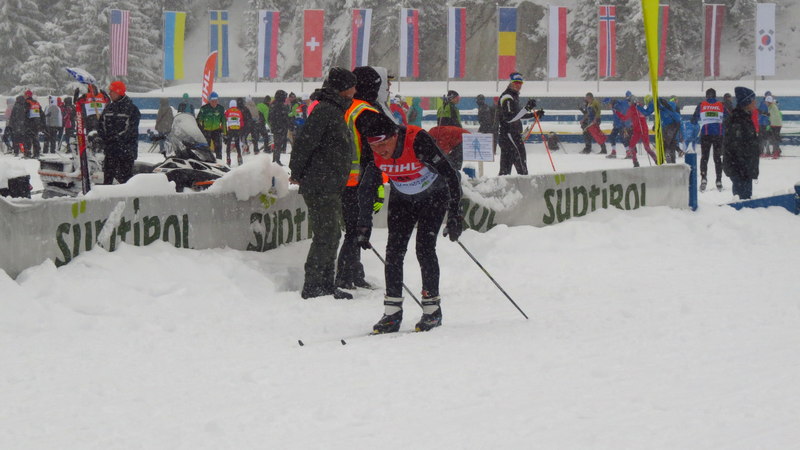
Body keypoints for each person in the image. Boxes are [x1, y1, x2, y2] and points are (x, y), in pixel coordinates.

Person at [356, 112, 463, 334]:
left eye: (383, 144)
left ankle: (432, 310)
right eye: (374, 146)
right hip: (402, 198)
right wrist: (364, 224)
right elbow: (367, 186)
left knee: (424, 248)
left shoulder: (417, 140)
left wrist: (455, 214)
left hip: (433, 196)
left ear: (394, 135)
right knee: (393, 251)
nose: (380, 151)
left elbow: (451, 176)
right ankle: (392, 313)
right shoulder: (371, 148)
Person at [289, 67, 358, 300]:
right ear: (342, 88)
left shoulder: (334, 109)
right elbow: (305, 143)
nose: (355, 91)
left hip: (329, 183)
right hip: (321, 183)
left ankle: (326, 284)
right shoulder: (326, 110)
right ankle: (314, 285)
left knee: (332, 234)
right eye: (352, 86)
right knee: (326, 234)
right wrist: (296, 171)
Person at [496, 72, 542, 175]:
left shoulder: (514, 96)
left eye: (520, 83)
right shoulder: (507, 97)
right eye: (516, 82)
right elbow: (510, 118)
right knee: (521, 163)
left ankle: (504, 183)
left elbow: (518, 115)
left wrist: (534, 115)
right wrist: (527, 108)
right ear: (511, 83)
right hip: (509, 135)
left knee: (505, 169)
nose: (518, 85)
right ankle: (524, 182)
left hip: (510, 135)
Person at [99, 81, 141, 185]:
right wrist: (101, 137)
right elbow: (101, 124)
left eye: (112, 91)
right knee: (108, 180)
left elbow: (131, 130)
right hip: (110, 151)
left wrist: (116, 138)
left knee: (125, 181)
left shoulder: (132, 109)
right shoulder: (108, 108)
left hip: (126, 152)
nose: (109, 93)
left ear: (119, 92)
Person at [723, 87, 759, 200]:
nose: (755, 102)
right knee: (742, 201)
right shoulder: (738, 120)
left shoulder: (744, 117)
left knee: (744, 199)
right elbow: (736, 146)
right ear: (747, 102)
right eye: (753, 100)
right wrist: (744, 168)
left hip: (744, 168)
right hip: (740, 169)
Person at [691, 88, 725, 191]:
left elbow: (693, 120)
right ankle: (718, 180)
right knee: (717, 158)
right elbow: (729, 117)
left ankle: (703, 178)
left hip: (706, 133)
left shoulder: (702, 105)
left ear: (706, 96)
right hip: (718, 134)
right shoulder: (721, 105)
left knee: (704, 157)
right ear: (715, 96)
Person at [615, 95, 657, 168]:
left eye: (629, 101)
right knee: (631, 146)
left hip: (643, 130)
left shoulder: (638, 107)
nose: (628, 103)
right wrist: (617, 113)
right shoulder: (632, 109)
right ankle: (635, 162)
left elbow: (642, 115)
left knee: (647, 148)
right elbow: (625, 118)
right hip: (637, 131)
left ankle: (656, 159)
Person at [640, 95, 682, 163]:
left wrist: (637, 106)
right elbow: (660, 115)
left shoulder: (653, 102)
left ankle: (664, 158)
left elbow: (646, 112)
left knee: (665, 141)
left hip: (669, 124)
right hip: (676, 123)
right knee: (671, 142)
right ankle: (672, 161)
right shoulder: (662, 102)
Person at [196, 91, 226, 159]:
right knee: (206, 148)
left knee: (218, 147)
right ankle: (206, 160)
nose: (214, 103)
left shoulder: (220, 108)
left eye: (216, 101)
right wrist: (200, 130)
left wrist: (225, 133)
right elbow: (198, 120)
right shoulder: (204, 108)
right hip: (206, 131)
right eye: (213, 101)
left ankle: (219, 161)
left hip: (216, 130)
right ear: (209, 101)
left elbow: (223, 121)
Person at [269, 90, 289, 165]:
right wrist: (284, 125)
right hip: (280, 128)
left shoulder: (273, 104)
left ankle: (276, 160)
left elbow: (270, 117)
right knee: (278, 145)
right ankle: (276, 161)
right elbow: (284, 117)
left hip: (276, 128)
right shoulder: (280, 105)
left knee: (277, 145)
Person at [23, 90, 44, 158]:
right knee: (35, 138)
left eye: (25, 95)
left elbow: (25, 113)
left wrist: (24, 122)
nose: (24, 96)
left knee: (28, 139)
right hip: (36, 123)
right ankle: (37, 153)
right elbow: (41, 113)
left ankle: (28, 153)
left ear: (27, 95)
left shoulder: (26, 102)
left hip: (29, 123)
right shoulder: (36, 103)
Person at [223, 99, 244, 166]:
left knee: (228, 145)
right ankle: (239, 157)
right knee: (237, 144)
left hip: (230, 130)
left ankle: (228, 159)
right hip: (237, 130)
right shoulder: (239, 111)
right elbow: (241, 122)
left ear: (230, 105)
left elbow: (224, 119)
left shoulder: (228, 111)